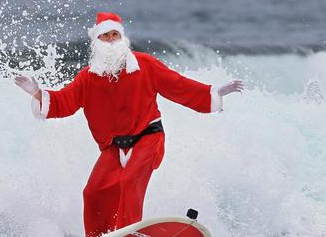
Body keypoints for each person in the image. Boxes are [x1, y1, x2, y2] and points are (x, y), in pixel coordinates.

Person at [14, 12, 243, 236]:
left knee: (130, 181)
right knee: (93, 192)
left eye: (115, 34)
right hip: (114, 147)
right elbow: (64, 102)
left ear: (122, 38)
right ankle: (99, 235)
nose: (111, 40)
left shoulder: (145, 65)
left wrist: (212, 93)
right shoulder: (88, 77)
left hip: (148, 136)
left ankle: (128, 234)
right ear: (96, 41)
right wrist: (37, 94)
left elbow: (178, 85)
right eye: (105, 36)